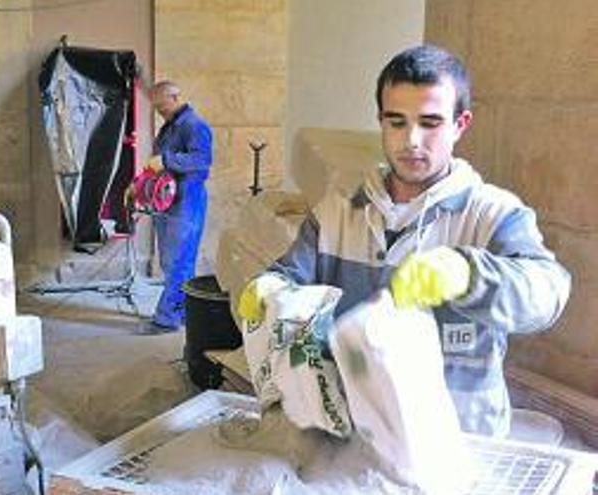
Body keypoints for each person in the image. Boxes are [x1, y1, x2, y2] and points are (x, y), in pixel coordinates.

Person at [238, 44, 570, 437]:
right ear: (380, 120)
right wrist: (268, 289)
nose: (412, 140)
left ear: (460, 124)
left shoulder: (492, 214)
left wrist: (468, 274)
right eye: (396, 122)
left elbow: (547, 294)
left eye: (430, 123)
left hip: (457, 442)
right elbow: (288, 278)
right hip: (358, 437)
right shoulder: (337, 213)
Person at [139, 81, 214, 334]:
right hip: (170, 200)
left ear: (175, 97)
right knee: (174, 262)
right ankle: (183, 313)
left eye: (162, 106)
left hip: (188, 200)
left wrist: (167, 159)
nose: (160, 111)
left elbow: (203, 160)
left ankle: (167, 318)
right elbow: (157, 166)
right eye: (157, 108)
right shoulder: (170, 127)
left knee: (179, 261)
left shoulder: (194, 125)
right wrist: (138, 185)